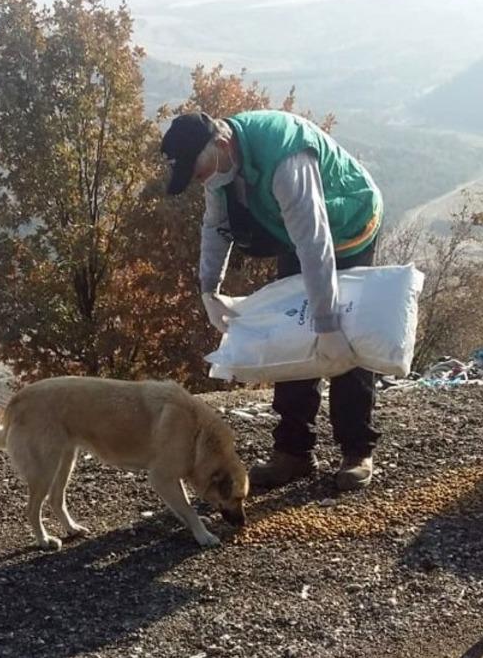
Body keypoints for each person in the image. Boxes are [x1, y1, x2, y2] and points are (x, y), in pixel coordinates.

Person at [160, 109, 383, 491]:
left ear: (222, 144)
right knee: (290, 328)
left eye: (200, 173)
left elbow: (315, 245)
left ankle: (356, 448)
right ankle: (294, 451)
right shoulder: (219, 164)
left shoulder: (286, 160)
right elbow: (215, 226)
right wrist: (209, 289)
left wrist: (327, 325)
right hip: (296, 232)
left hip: (348, 224)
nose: (203, 182)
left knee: (346, 332)